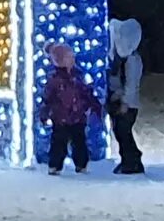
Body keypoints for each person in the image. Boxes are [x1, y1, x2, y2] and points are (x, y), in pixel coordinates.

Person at [37, 41, 97, 174]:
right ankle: (55, 165)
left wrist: (92, 104)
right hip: (60, 118)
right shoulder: (55, 79)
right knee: (59, 143)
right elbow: (48, 98)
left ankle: (81, 164)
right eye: (69, 57)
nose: (72, 60)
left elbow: (86, 92)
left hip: (78, 117)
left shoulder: (78, 76)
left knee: (79, 142)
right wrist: (45, 113)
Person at [102, 17, 146, 175]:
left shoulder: (132, 60)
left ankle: (132, 161)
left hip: (127, 104)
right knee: (119, 132)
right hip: (118, 101)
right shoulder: (119, 59)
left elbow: (131, 84)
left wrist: (125, 102)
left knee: (123, 131)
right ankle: (128, 160)